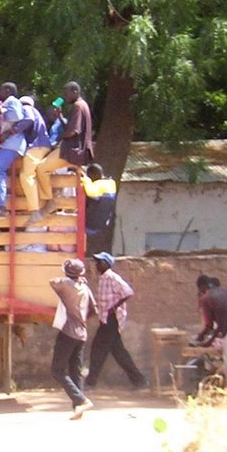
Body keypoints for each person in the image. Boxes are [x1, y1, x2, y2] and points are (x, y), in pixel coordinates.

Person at [85, 253, 147, 390]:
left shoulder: (112, 277)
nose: (97, 265)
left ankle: (90, 382)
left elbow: (128, 292)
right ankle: (139, 380)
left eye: (99, 262)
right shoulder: (103, 278)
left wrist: (114, 307)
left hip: (111, 319)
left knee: (98, 349)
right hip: (105, 318)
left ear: (107, 264)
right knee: (119, 352)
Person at [36, 82, 93, 215]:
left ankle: (49, 201)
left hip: (71, 150)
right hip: (77, 151)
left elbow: (74, 131)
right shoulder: (82, 106)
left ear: (75, 91)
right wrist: (60, 117)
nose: (65, 97)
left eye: (66, 94)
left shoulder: (78, 106)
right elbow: (71, 128)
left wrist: (59, 139)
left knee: (41, 169)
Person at [49, 258, 96, 419]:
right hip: (82, 333)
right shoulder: (85, 288)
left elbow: (52, 282)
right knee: (75, 372)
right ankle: (78, 409)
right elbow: (94, 310)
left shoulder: (66, 285)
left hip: (68, 332)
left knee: (57, 370)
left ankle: (81, 400)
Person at [0, 82, 31, 221]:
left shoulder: (12, 100)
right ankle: (0, 205)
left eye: (1, 89)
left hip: (12, 144)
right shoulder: (10, 102)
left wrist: (2, 111)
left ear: (7, 90)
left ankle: (0, 207)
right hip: (9, 144)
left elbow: (16, 117)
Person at [18, 95, 54, 223]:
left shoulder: (26, 109)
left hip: (36, 146)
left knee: (26, 176)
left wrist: (14, 130)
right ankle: (46, 201)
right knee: (36, 172)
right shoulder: (36, 111)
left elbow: (29, 120)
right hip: (43, 145)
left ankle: (35, 210)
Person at [79, 164, 117, 237]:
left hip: (92, 222)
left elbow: (91, 193)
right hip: (101, 222)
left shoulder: (100, 185)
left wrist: (85, 179)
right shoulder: (110, 183)